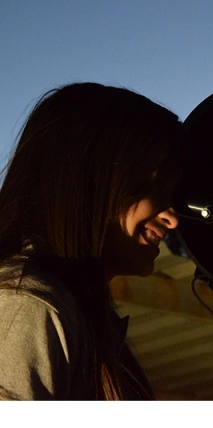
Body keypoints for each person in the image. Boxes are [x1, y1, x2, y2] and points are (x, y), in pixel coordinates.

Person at [0, 82, 187, 400]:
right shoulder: (29, 303)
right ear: (89, 180)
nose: (173, 218)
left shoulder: (76, 312)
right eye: (154, 187)